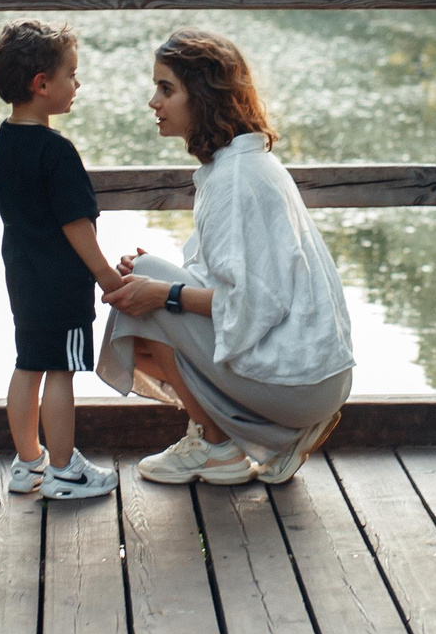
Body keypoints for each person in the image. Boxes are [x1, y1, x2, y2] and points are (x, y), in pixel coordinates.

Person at [97, 30, 353, 485]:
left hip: (303, 385)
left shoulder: (236, 179)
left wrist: (163, 292)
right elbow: (231, 281)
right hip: (313, 380)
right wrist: (158, 282)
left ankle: (217, 448)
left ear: (202, 97)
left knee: (147, 299)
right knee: (146, 280)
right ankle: (270, 434)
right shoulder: (238, 164)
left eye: (166, 89)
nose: (153, 102)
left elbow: (252, 304)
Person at [0, 19, 121, 500]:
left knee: (29, 364)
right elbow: (75, 224)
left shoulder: (5, 143)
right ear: (42, 85)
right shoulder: (57, 152)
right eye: (72, 74)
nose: (77, 85)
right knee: (61, 371)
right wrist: (105, 276)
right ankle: (64, 470)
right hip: (61, 282)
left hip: (22, 277)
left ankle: (29, 463)